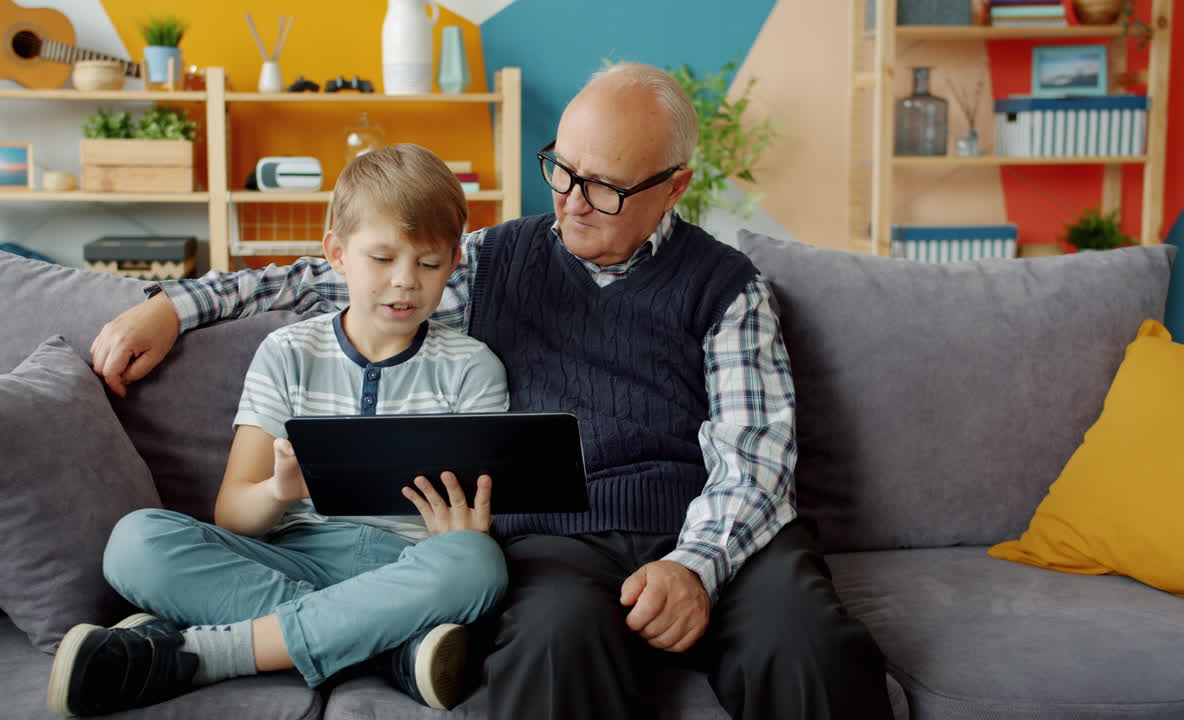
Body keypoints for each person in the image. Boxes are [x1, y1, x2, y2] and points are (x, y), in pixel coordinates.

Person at [88, 63, 895, 719]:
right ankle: (381, 637)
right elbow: (346, 272)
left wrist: (696, 565)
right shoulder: (495, 259)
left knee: (811, 655)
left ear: (674, 188)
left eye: (605, 188)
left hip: (719, 536)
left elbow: (756, 461)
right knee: (546, 651)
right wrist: (173, 304)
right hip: (560, 543)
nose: (572, 202)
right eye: (562, 170)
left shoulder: (727, 287)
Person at [48, 144, 511, 717]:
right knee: (134, 544)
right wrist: (277, 492)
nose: (404, 283)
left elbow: (474, 521)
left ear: (455, 264)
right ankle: (389, 648)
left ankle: (207, 652)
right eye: (382, 258)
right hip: (294, 556)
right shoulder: (288, 352)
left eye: (429, 264)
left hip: (406, 568)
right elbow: (232, 515)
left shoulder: (473, 368)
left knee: (478, 565)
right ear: (336, 255)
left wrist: (464, 533)